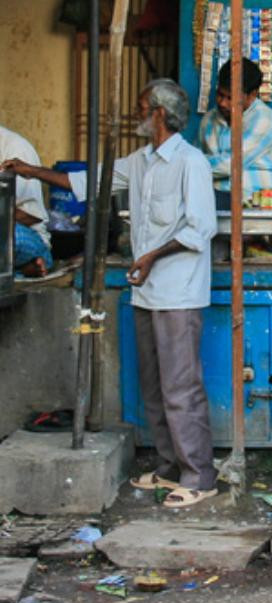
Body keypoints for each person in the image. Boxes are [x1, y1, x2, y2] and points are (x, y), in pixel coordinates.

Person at [5, 79, 220, 507]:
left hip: (177, 291)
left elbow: (200, 228)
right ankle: (168, 468)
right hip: (146, 291)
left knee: (181, 387)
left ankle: (200, 476)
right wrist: (31, 171)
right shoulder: (140, 161)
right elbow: (86, 181)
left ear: (159, 113)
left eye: (143, 107)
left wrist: (152, 256)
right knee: (154, 386)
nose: (138, 115)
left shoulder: (190, 162)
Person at [198, 57, 272, 205]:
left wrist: (197, 166)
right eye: (220, 95)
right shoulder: (209, 120)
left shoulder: (264, 119)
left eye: (230, 98)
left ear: (252, 95)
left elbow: (231, 164)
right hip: (216, 202)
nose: (222, 103)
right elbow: (194, 158)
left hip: (258, 203)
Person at [0, 124, 53, 277]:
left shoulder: (15, 148)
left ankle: (33, 263)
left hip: (26, 234)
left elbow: (30, 216)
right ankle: (22, 270)